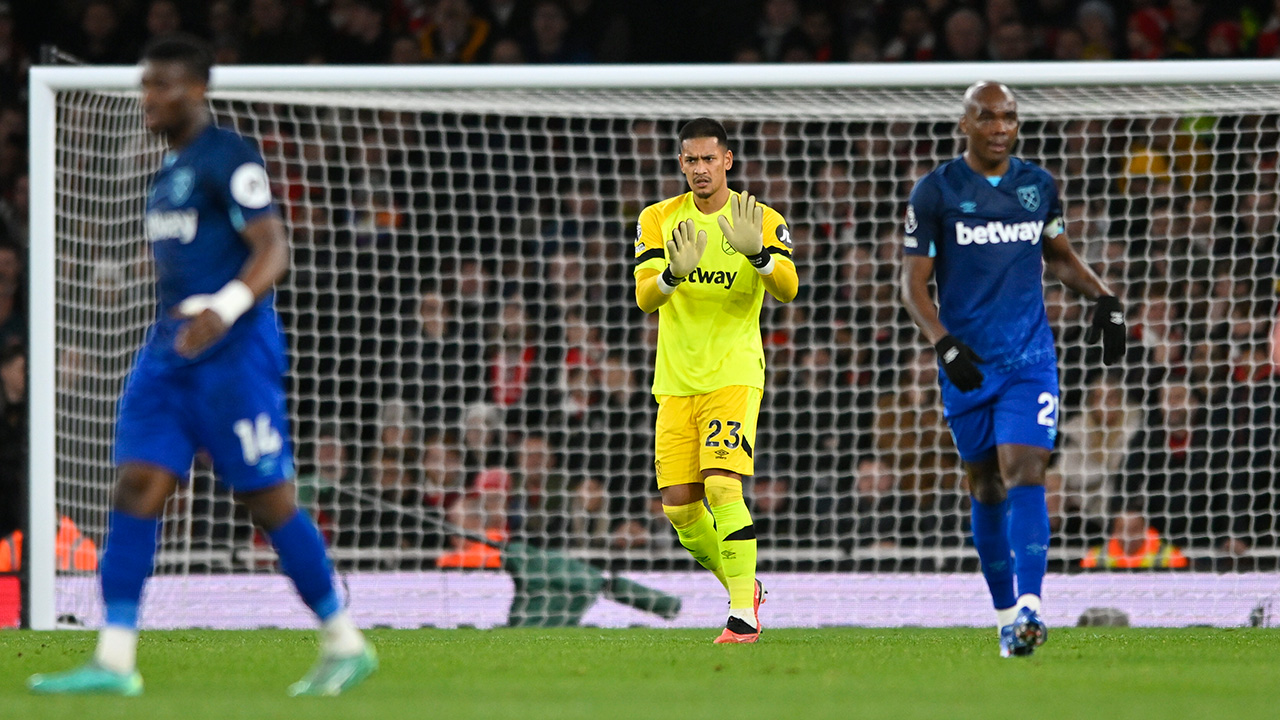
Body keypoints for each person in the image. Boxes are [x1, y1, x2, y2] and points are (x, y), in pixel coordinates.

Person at [29, 36, 375, 696]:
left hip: (234, 354)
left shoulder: (228, 157)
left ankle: (343, 640)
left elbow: (274, 248)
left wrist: (225, 307)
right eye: (145, 85)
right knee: (136, 484)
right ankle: (114, 661)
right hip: (171, 351)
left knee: (268, 503)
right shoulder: (167, 171)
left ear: (197, 90)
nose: (147, 98)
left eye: (161, 85)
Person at [899, 81, 1125, 658]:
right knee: (986, 484)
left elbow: (1060, 258)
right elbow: (913, 286)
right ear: (965, 124)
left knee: (1025, 468)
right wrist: (944, 343)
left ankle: (1031, 606)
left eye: (1010, 118)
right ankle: (1006, 617)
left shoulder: (1038, 186)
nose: (1001, 127)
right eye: (989, 117)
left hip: (1030, 359)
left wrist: (1104, 298)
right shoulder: (936, 192)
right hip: (968, 364)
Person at [633, 117, 798, 643]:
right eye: (690, 160)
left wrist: (758, 254)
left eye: (709, 159)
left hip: (733, 373)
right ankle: (743, 587)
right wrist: (671, 274)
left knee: (723, 484)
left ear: (727, 160)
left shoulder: (760, 218)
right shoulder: (659, 219)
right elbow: (645, 297)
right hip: (676, 381)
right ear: (680, 164)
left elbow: (788, 289)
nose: (700, 169)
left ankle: (742, 618)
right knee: (680, 507)